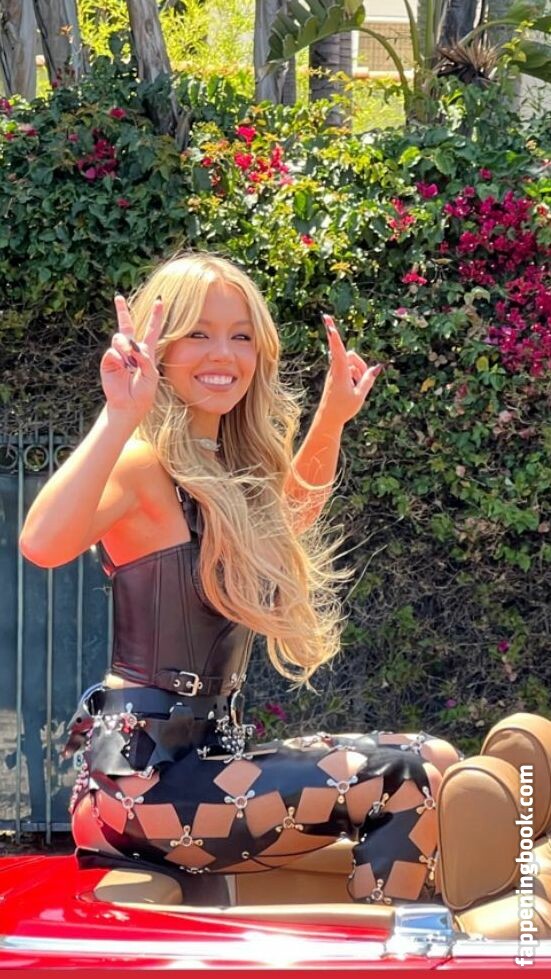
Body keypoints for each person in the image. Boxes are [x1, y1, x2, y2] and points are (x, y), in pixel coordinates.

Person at [20, 252, 461, 905]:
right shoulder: (142, 463)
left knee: (438, 758)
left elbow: (290, 518)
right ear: (160, 348)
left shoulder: (224, 469)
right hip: (140, 783)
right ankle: (403, 944)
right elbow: (41, 543)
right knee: (405, 774)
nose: (223, 352)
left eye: (241, 335)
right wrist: (118, 416)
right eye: (198, 332)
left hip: (206, 763)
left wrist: (332, 418)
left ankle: (403, 932)